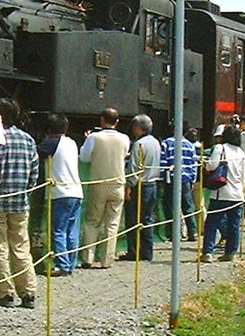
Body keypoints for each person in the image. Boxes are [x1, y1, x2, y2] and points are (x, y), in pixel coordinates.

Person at [0, 99, 38, 308]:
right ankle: (28, 293)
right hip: (20, 201)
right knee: (21, 246)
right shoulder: (28, 139)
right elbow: (34, 173)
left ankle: (4, 293)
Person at [78, 108, 130, 268]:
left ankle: (88, 257)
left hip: (99, 183)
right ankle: (106, 260)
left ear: (102, 120)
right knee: (112, 223)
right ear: (117, 121)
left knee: (92, 221)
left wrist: (87, 141)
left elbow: (84, 157)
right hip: (118, 184)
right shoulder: (124, 138)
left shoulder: (94, 137)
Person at [41, 114, 82, 276]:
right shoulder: (71, 142)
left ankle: (62, 265)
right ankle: (71, 263)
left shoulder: (51, 142)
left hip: (60, 192)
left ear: (49, 129)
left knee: (58, 230)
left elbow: (37, 153)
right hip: (76, 191)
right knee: (71, 230)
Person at [201, 124, 245, 262]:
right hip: (237, 193)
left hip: (222, 191)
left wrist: (205, 165)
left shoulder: (220, 148)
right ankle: (231, 252)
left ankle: (208, 252)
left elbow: (212, 165)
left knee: (212, 222)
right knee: (234, 224)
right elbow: (244, 175)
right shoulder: (241, 152)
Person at [121, 115, 161, 262]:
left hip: (140, 185)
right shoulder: (156, 142)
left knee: (132, 219)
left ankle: (133, 251)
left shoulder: (139, 144)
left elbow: (133, 169)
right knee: (148, 219)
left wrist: (128, 187)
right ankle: (147, 251)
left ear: (139, 127)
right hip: (153, 184)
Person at [160, 128, 199, 243]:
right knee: (188, 207)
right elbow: (194, 164)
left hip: (171, 179)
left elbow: (163, 163)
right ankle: (193, 232)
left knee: (171, 207)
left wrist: (162, 178)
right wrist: (193, 179)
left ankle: (174, 234)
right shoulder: (189, 145)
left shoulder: (166, 143)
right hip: (186, 179)